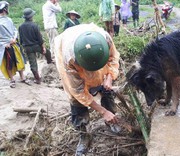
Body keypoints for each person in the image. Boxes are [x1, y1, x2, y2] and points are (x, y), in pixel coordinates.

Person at [54, 23, 121, 154]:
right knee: (76, 100)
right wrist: (102, 112)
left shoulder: (105, 39)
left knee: (106, 88)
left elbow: (113, 58)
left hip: (94, 54)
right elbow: (78, 91)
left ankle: (111, 119)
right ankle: (84, 134)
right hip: (66, 52)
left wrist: (109, 77)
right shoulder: (69, 59)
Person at [18, 8, 54, 84]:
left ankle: (37, 79)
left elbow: (20, 39)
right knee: (47, 52)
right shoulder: (34, 25)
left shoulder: (21, 27)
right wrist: (43, 47)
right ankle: (49, 61)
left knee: (32, 63)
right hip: (36, 45)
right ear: (31, 16)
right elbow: (39, 38)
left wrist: (23, 47)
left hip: (27, 47)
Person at [0, 1, 30, 88]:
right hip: (5, 46)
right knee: (9, 63)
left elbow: (14, 30)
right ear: (5, 9)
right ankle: (12, 79)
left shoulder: (9, 20)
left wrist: (14, 38)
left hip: (14, 44)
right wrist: (4, 43)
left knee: (19, 60)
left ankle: (22, 77)